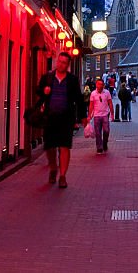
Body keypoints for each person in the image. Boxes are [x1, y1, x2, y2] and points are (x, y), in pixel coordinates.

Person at [35, 51, 86, 188]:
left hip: (65, 118)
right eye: (59, 62)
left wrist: (83, 117)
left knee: (64, 147)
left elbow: (79, 99)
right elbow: (38, 91)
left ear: (68, 65)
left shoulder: (72, 80)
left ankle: (63, 176)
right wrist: (43, 91)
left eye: (64, 63)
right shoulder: (48, 77)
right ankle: (53, 168)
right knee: (49, 146)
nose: (61, 65)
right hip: (50, 117)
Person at [87, 78, 115, 153]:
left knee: (106, 131)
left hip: (105, 114)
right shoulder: (93, 93)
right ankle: (99, 147)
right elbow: (91, 105)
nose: (100, 86)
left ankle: (105, 143)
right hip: (96, 115)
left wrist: (112, 114)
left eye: (102, 85)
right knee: (98, 132)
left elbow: (110, 103)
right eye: (99, 84)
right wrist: (89, 115)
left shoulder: (107, 93)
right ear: (96, 85)